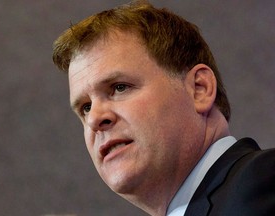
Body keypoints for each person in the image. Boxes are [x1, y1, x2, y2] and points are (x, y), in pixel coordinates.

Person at [52, 1, 275, 215]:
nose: (94, 119)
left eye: (119, 87)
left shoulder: (264, 181)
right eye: (86, 107)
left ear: (199, 89)